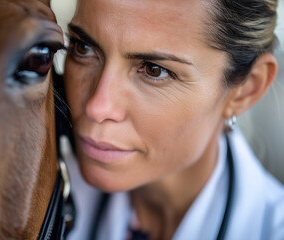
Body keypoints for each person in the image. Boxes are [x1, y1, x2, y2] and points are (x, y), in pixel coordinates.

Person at [57, 0, 284, 239]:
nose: (97, 107)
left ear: (246, 89)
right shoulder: (27, 198)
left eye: (154, 70)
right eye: (82, 47)